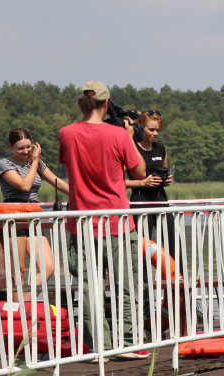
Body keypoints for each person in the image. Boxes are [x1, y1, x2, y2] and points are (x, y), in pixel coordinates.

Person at [58, 80, 148, 358]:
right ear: (106, 103)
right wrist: (130, 137)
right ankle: (131, 342)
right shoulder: (119, 136)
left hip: (81, 223)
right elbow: (140, 172)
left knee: (88, 289)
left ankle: (100, 345)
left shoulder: (66, 134)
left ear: (81, 103)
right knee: (125, 285)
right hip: (117, 222)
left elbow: (68, 166)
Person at [0, 128, 70, 287]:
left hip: (33, 217)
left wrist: (79, 194)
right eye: (20, 148)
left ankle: (27, 303)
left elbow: (57, 181)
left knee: (49, 267)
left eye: (28, 147)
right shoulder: (4, 163)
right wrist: (35, 161)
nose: (25, 151)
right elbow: (24, 186)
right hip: (14, 216)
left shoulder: (36, 162)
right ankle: (18, 309)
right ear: (10, 147)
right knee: (19, 270)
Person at [125, 110, 176, 257]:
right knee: (142, 245)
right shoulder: (131, 147)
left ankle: (179, 276)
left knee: (172, 240)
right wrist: (142, 183)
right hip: (140, 201)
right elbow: (117, 182)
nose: (155, 133)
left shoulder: (160, 148)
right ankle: (143, 279)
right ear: (141, 127)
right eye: (151, 129)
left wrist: (166, 180)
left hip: (161, 200)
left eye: (158, 130)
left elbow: (164, 169)